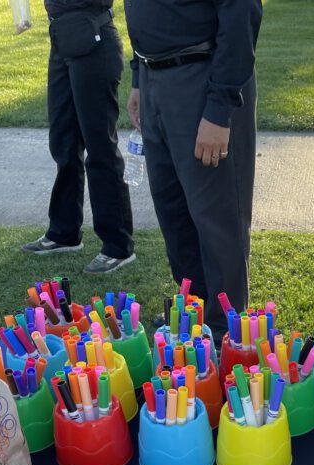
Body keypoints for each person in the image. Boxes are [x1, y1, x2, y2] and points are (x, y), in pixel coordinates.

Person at [123, 0, 263, 338]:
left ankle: (222, 331)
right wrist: (140, 77)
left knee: (216, 219)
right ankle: (194, 313)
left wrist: (219, 110)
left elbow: (240, 13)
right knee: (175, 215)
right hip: (155, 79)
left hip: (201, 80)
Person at [21, 0, 136, 275]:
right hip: (62, 41)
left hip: (94, 40)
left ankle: (117, 245)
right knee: (64, 141)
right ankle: (64, 232)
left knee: (99, 148)